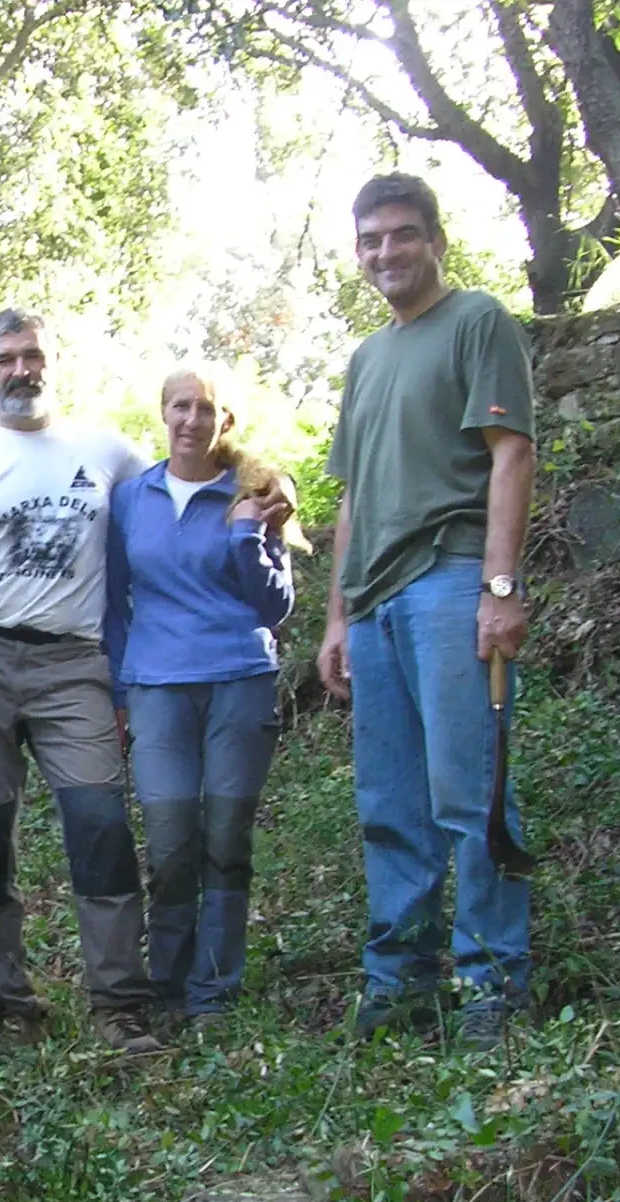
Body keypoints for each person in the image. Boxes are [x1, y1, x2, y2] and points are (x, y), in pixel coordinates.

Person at [317, 174, 536, 1050]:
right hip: (371, 606)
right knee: (390, 804)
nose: (384, 253)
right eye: (370, 240)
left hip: (449, 581)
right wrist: (336, 619)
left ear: (434, 239)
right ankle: (399, 982)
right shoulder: (367, 359)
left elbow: (511, 452)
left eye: (401, 235)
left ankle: (492, 985)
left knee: (468, 795)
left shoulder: (477, 321)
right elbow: (352, 499)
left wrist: (500, 588)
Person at [0, 309, 159, 1055]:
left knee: (100, 825)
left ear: (54, 361)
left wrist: (261, 496)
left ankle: (119, 1004)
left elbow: (177, 505)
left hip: (73, 662)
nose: (22, 370)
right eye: (6, 358)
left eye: (33, 355)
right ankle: (6, 1001)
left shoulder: (107, 450)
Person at [104, 368, 295, 1034]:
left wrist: (248, 535)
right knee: (169, 842)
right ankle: (167, 987)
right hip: (157, 688)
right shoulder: (132, 498)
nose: (191, 419)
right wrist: (119, 690)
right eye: (180, 406)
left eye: (205, 409)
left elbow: (277, 605)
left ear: (226, 422)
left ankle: (215, 993)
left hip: (239, 680)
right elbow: (114, 605)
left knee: (225, 839)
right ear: (162, 413)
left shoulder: (255, 491)